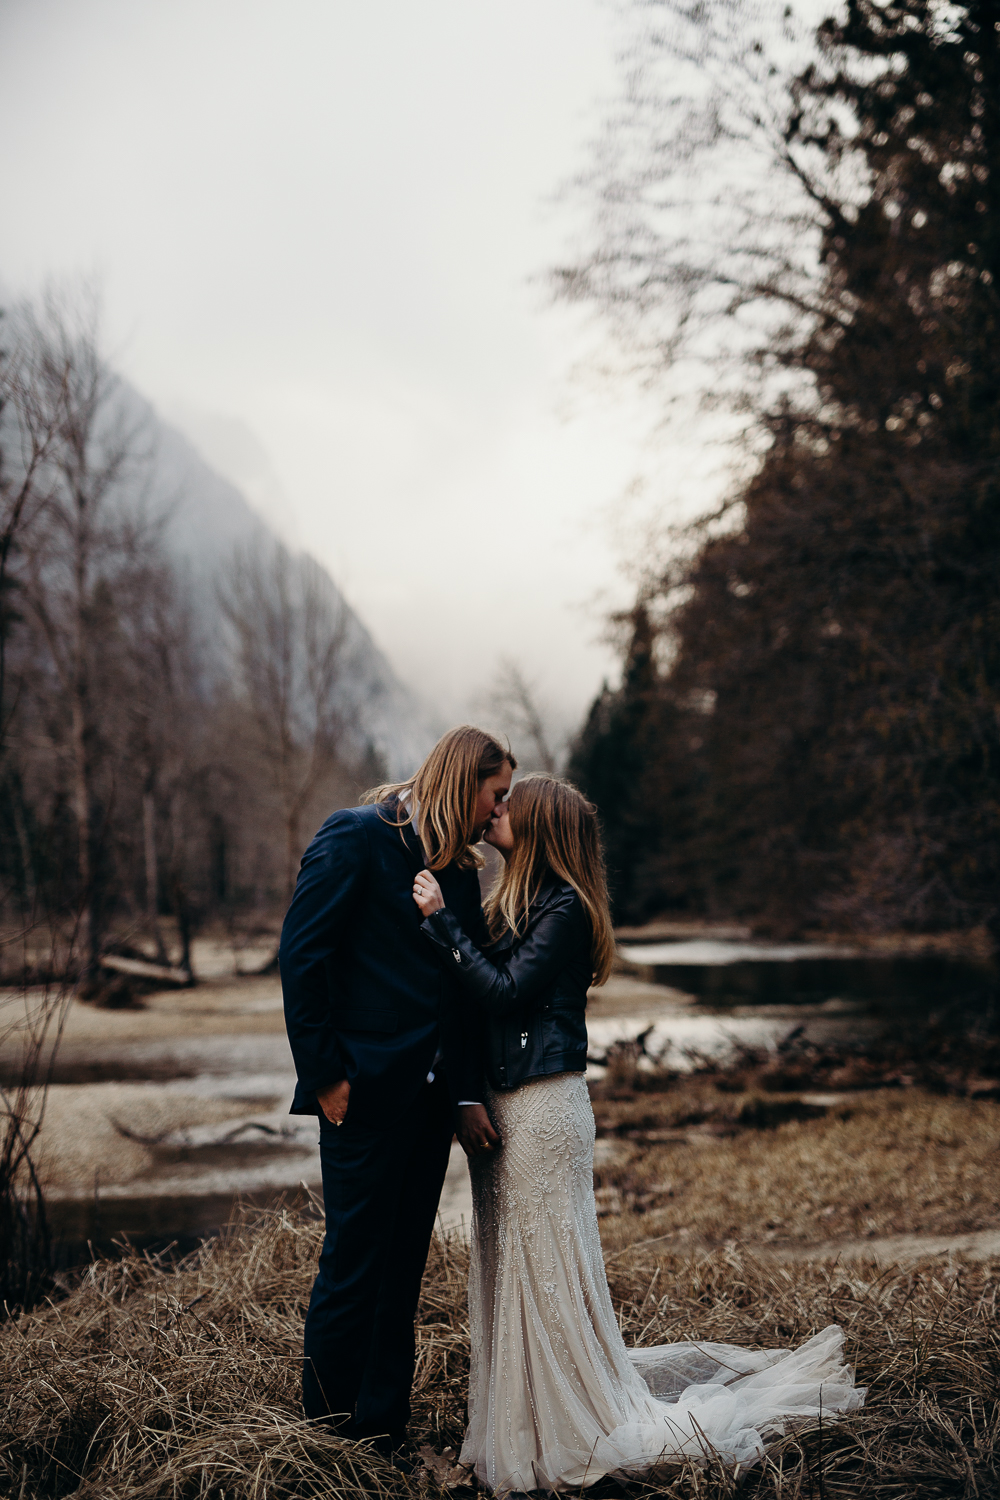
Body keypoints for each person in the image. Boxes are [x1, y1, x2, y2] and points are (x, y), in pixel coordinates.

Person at [412, 775, 865, 1492]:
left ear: (539, 829)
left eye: (508, 806)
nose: (495, 812)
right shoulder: (516, 901)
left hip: (542, 1110)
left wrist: (441, 922)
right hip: (510, 1105)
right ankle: (524, 1419)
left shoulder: (563, 908)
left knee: (549, 1270)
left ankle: (567, 1425)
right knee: (517, 1265)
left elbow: (501, 992)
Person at [279, 725, 514, 1460]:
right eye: (495, 794)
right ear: (461, 779)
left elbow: (465, 991)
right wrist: (324, 1077)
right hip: (361, 1095)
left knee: (403, 1266)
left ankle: (382, 1433)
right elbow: (301, 957)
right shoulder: (352, 837)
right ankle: (326, 1437)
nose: (496, 811)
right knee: (353, 1265)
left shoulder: (464, 870)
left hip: (432, 1104)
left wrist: (466, 1094)